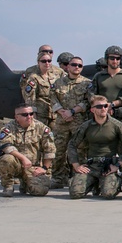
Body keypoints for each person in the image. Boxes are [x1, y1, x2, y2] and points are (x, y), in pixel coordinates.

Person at [67, 95, 122, 199]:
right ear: (92, 110)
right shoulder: (86, 126)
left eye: (105, 106)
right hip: (91, 166)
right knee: (75, 193)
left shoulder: (117, 125)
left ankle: (115, 181)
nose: (103, 109)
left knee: (108, 194)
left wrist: (118, 165)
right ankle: (93, 184)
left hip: (109, 167)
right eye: (99, 107)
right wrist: (76, 165)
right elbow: (72, 144)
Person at [49, 55, 91, 188]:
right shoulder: (58, 83)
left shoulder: (87, 83)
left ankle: (78, 177)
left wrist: (72, 111)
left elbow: (88, 101)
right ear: (68, 67)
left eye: (79, 65)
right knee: (59, 150)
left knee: (80, 150)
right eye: (74, 65)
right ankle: (58, 178)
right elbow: (53, 98)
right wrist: (62, 112)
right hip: (61, 122)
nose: (76, 67)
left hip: (78, 122)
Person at [0, 103, 55, 197]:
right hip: (16, 164)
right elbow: (5, 145)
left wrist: (44, 168)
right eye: (25, 115)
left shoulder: (42, 128)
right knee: (6, 159)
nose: (29, 117)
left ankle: (25, 183)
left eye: (31, 114)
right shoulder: (9, 128)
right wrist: (23, 158)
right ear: (16, 117)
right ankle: (8, 186)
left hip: (33, 167)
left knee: (40, 191)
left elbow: (50, 150)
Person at [90, 45, 122, 128]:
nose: (115, 61)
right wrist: (103, 106)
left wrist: (113, 104)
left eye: (118, 59)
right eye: (112, 58)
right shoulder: (99, 76)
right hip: (100, 114)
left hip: (121, 116)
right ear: (107, 59)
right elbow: (91, 95)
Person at [20, 46, 62, 127]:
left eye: (49, 61)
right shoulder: (32, 75)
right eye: (44, 61)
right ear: (38, 62)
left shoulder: (58, 72)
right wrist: (32, 113)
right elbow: (29, 96)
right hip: (41, 112)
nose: (47, 63)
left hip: (55, 112)